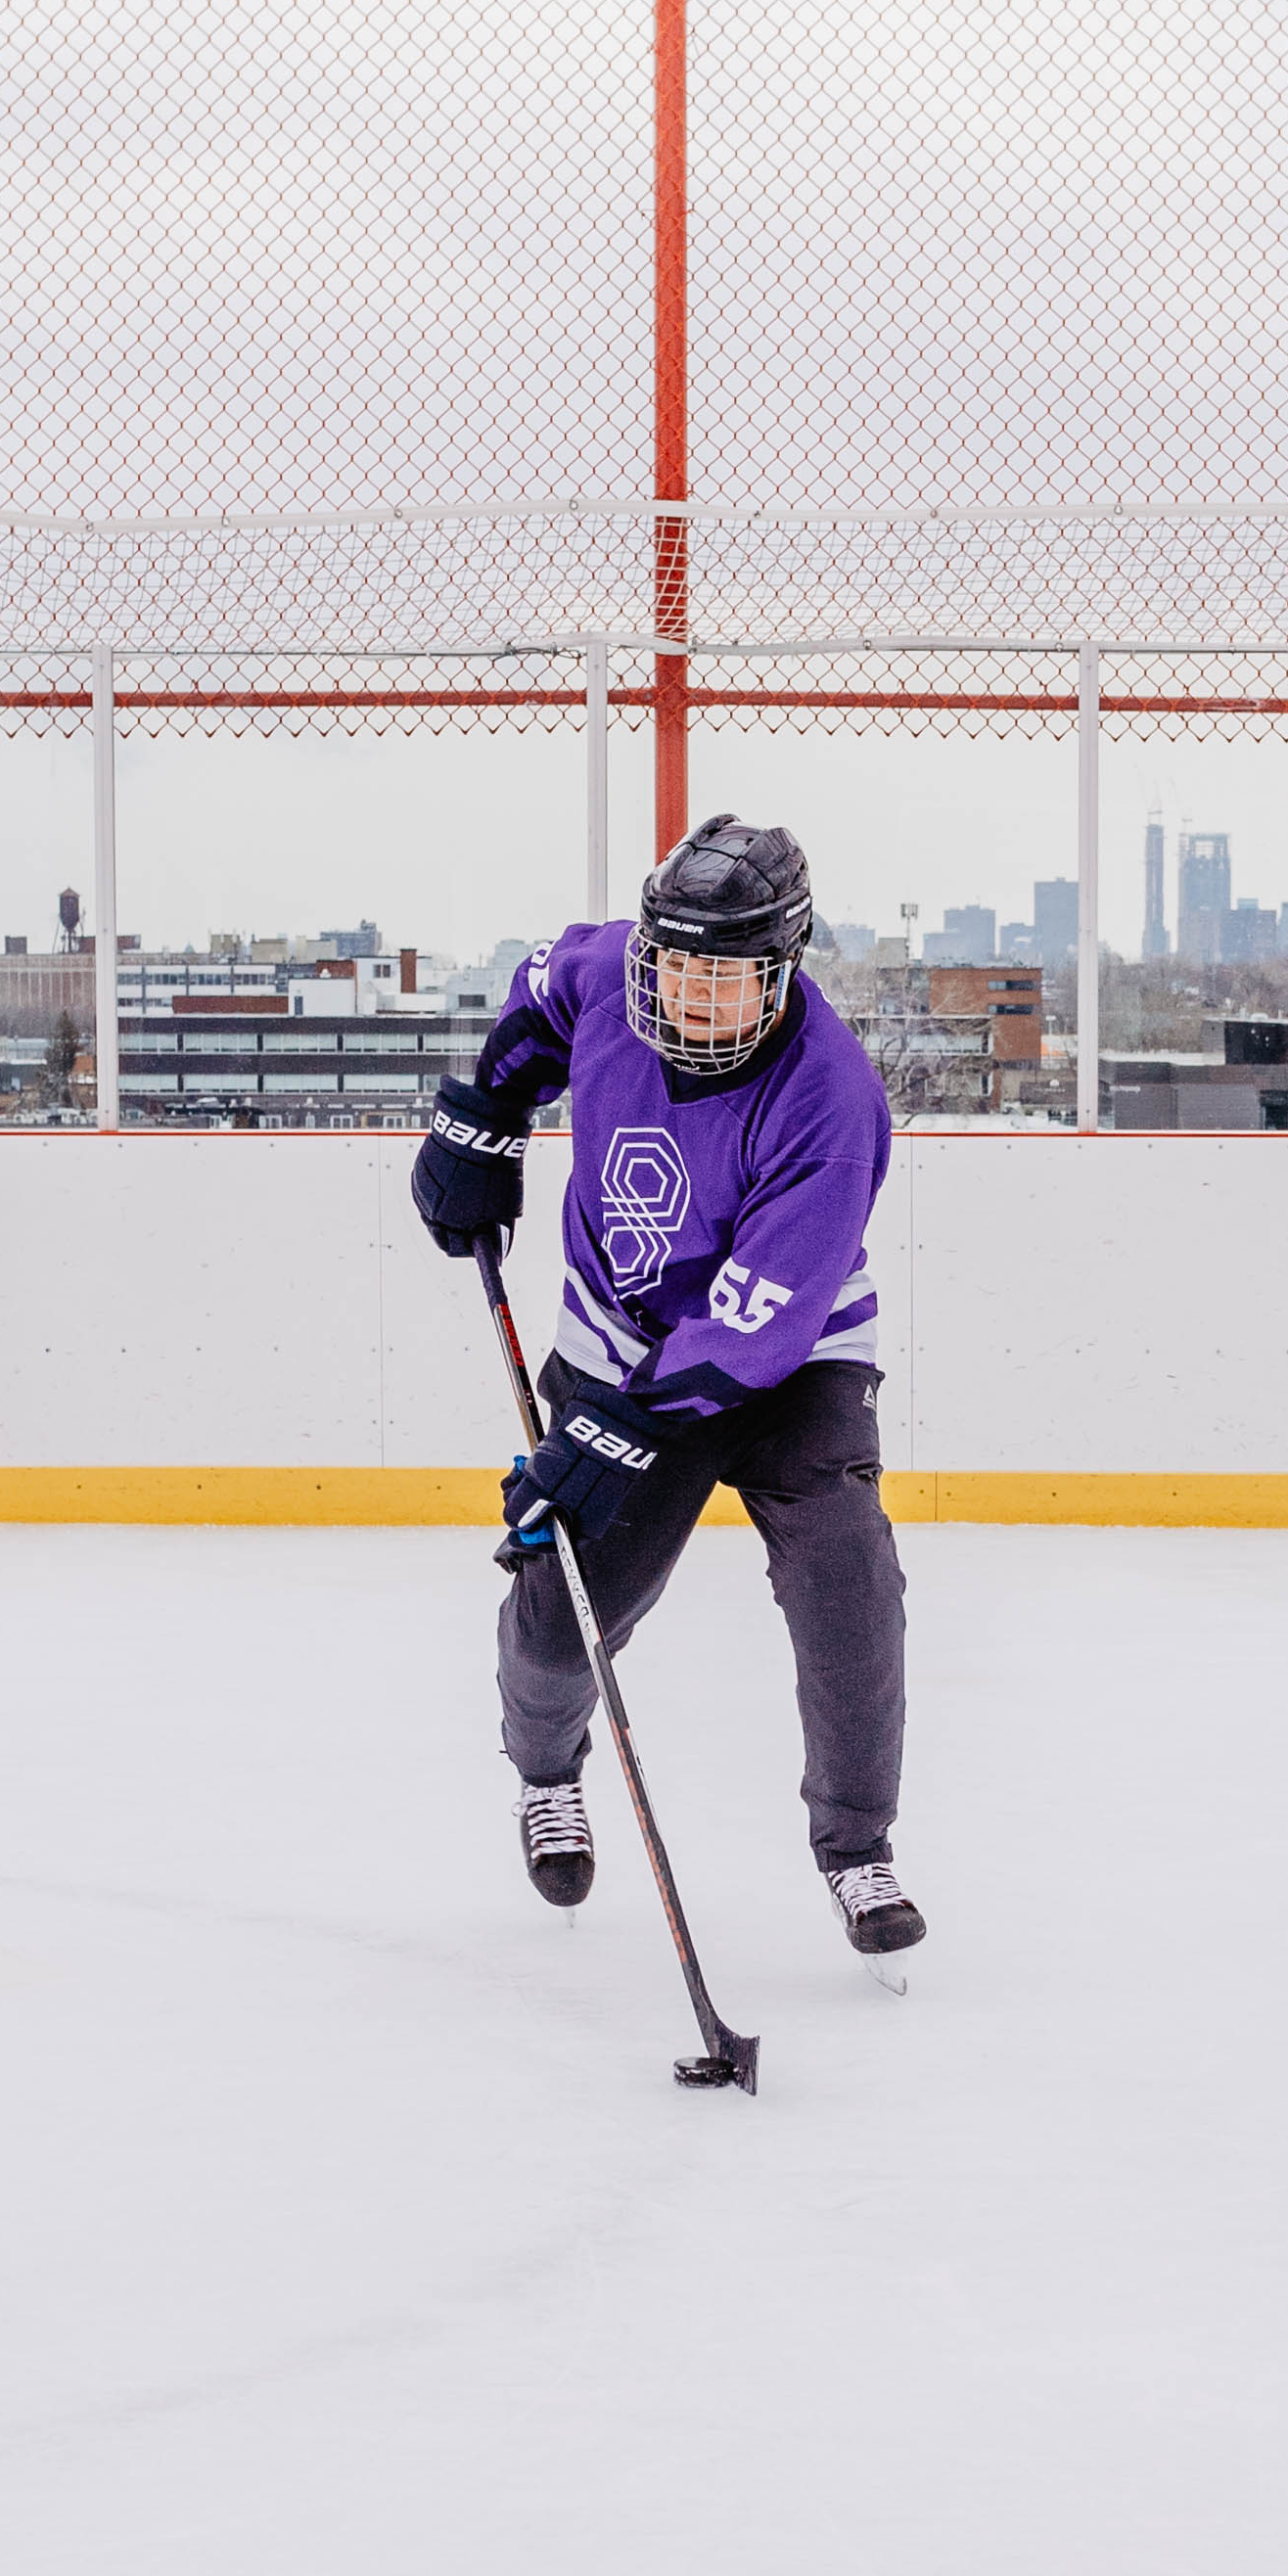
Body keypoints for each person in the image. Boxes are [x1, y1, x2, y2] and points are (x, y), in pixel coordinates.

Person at [406, 814, 925, 1963]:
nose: (689, 994)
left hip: (793, 1359)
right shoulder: (608, 975)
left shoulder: (831, 1100)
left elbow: (754, 1325)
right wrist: (486, 1112)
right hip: (619, 1332)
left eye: (724, 974)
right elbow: (535, 1002)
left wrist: (607, 1440)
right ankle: (547, 1776)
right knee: (560, 1619)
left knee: (848, 1581)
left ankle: (857, 1849)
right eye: (675, 963)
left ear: (784, 969)